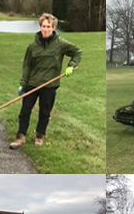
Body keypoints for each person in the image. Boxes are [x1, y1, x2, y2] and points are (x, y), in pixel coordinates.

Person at [10, 13, 82, 149]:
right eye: (43, 26)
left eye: (48, 26)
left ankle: (39, 136)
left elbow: (77, 52)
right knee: (25, 111)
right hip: (33, 83)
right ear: (40, 27)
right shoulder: (33, 46)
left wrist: (71, 66)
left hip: (50, 85)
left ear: (53, 27)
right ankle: (20, 137)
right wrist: (23, 84)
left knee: (44, 112)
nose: (46, 29)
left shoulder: (60, 44)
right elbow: (27, 66)